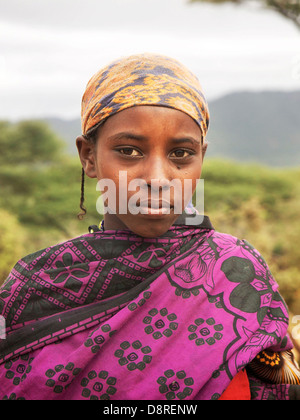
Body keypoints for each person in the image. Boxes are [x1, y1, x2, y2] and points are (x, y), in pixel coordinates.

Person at [0, 53, 299, 401]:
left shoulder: (235, 271)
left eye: (181, 154)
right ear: (88, 156)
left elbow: (275, 386)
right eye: (129, 151)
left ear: (201, 156)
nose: (157, 179)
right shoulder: (37, 286)